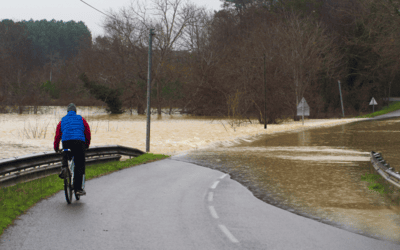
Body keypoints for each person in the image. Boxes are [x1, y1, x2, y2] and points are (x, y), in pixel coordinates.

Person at [54, 103, 91, 196]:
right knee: (79, 165)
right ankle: (78, 189)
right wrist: (86, 144)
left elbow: (58, 135)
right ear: (75, 111)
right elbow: (87, 132)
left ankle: (64, 167)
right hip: (79, 143)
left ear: (67, 112)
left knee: (65, 153)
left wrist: (56, 147)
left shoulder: (62, 120)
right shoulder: (81, 119)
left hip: (66, 142)